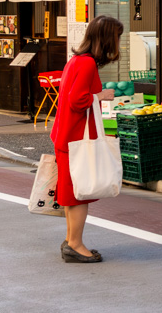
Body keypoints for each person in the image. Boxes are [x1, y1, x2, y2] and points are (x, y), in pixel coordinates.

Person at [50, 15, 122, 263]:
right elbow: (78, 100)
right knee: (80, 195)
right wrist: (101, 95)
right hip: (76, 138)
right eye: (117, 37)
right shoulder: (87, 64)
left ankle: (71, 240)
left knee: (73, 193)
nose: (118, 43)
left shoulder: (76, 60)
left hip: (66, 135)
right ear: (107, 39)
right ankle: (75, 244)